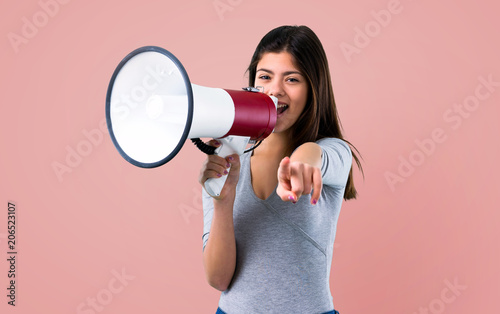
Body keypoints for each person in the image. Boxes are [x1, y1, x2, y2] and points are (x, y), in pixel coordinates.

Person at [199, 25, 363, 314]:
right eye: (265, 77)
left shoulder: (335, 152)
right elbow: (219, 279)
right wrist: (222, 203)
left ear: (314, 88)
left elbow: (318, 156)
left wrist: (305, 157)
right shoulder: (227, 157)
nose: (275, 90)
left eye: (292, 79)